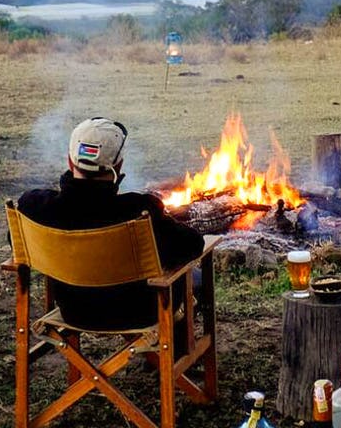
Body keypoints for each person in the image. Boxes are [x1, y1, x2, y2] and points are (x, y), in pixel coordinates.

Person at [15, 117, 203, 328]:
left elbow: (17, 243)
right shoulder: (138, 211)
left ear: (70, 161)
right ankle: (167, 357)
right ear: (119, 165)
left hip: (74, 310)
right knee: (194, 277)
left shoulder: (34, 207)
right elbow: (192, 245)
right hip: (140, 312)